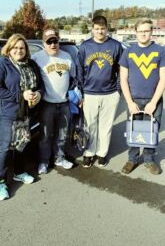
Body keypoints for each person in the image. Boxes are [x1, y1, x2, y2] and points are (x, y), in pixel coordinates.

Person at [0, 33, 43, 201]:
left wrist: (38, 94)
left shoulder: (31, 64)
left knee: (20, 144)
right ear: (9, 49)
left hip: (26, 113)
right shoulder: (3, 64)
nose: (19, 50)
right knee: (4, 149)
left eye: (22, 48)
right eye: (15, 47)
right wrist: (20, 95)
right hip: (7, 113)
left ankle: (18, 172)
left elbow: (40, 85)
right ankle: (1, 181)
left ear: (26, 50)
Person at [119, 18, 165, 175]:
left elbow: (163, 79)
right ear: (136, 32)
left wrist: (154, 102)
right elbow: (123, 79)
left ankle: (149, 160)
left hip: (154, 101)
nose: (144, 34)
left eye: (147, 31)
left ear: (151, 32)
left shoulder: (160, 51)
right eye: (141, 31)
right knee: (134, 130)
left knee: (151, 132)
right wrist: (130, 102)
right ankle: (132, 159)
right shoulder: (128, 52)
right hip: (134, 100)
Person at [76, 15, 123, 168]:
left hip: (110, 93)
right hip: (90, 93)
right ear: (92, 29)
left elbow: (121, 70)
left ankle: (102, 153)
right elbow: (79, 71)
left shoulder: (116, 45)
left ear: (107, 29)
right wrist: (82, 93)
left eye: (102, 29)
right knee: (90, 125)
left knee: (106, 126)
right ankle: (89, 153)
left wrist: (117, 90)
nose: (100, 31)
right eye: (97, 29)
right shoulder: (85, 46)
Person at [32, 28, 75, 174]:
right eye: (49, 42)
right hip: (46, 104)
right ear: (44, 43)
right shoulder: (37, 58)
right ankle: (43, 161)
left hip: (64, 103)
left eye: (55, 41)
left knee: (62, 134)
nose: (52, 45)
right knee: (45, 135)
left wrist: (75, 95)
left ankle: (60, 158)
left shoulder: (67, 56)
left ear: (58, 41)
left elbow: (74, 79)